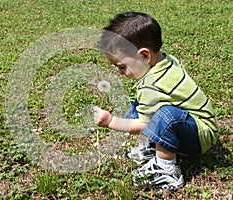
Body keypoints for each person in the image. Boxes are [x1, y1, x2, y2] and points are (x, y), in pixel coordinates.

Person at [93, 11, 218, 190]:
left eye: (122, 67)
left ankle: (166, 169)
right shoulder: (164, 60)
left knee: (166, 115)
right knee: (143, 105)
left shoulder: (153, 86)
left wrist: (111, 122)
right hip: (196, 125)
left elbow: (144, 124)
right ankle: (155, 145)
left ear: (144, 56)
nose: (119, 73)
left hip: (200, 135)